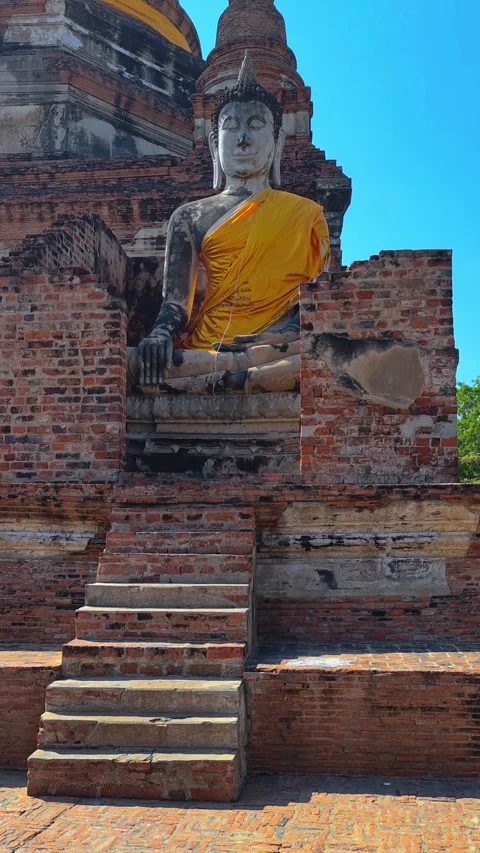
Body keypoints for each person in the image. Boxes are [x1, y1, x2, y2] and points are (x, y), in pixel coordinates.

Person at [128, 52, 330, 394]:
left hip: (277, 347)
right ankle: (239, 378)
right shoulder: (189, 216)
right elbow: (176, 304)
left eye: (255, 126)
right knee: (134, 364)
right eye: (231, 128)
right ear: (213, 143)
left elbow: (318, 302)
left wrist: (284, 335)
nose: (243, 140)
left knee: (320, 358)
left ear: (277, 142)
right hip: (207, 348)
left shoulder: (306, 214)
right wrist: (160, 335)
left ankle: (232, 377)